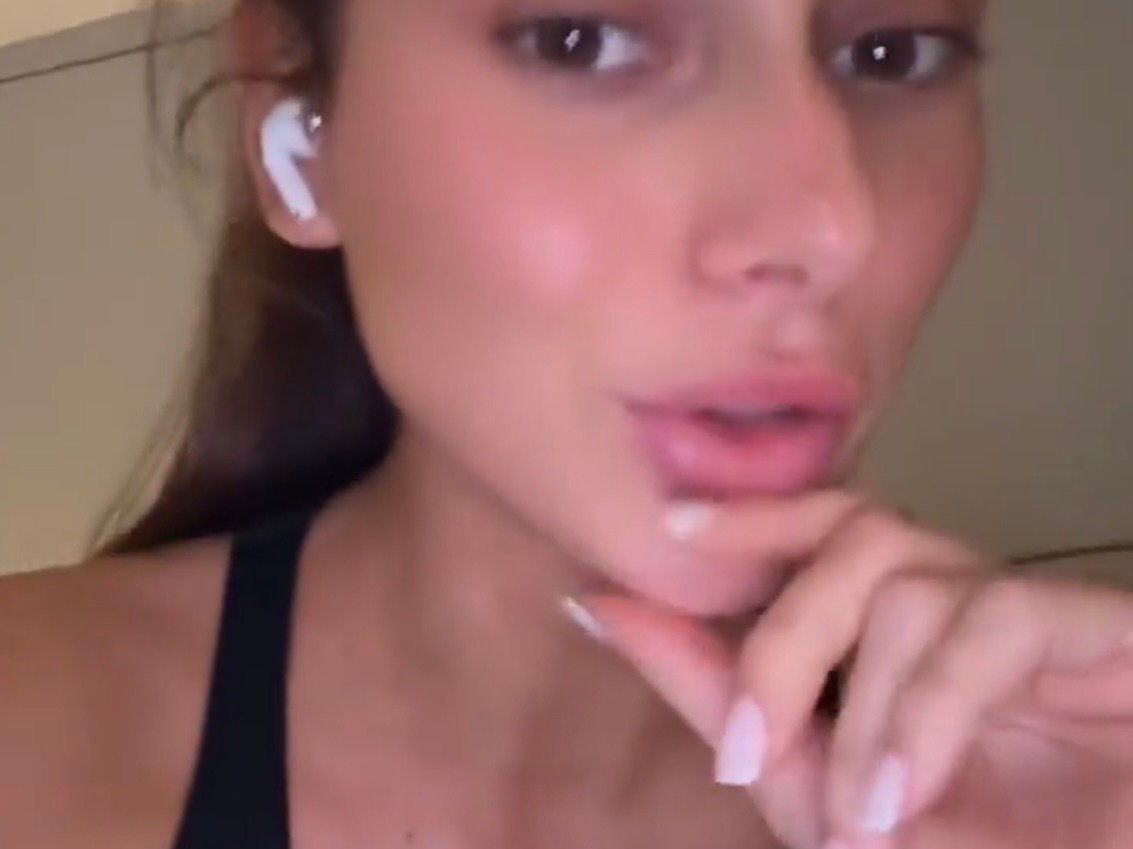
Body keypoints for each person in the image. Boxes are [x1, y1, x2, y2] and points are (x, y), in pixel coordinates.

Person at [1, 0, 1130, 847]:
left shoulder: (1053, 776)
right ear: (298, 133)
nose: (830, 228)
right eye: (582, 40)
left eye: (895, 52)